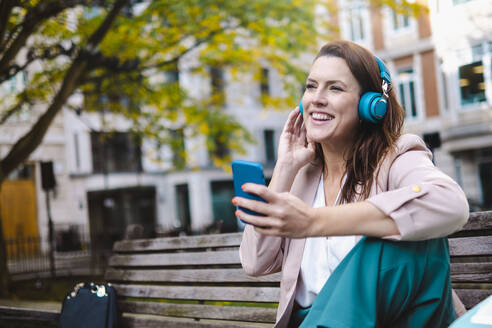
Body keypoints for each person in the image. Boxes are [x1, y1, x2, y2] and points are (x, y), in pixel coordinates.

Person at [233, 40, 469, 328]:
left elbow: (451, 204)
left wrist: (313, 221)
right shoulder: (302, 177)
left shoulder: (396, 156)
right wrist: (285, 168)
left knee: (389, 239)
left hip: (380, 319)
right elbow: (254, 263)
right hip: (308, 321)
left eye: (335, 88)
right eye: (311, 86)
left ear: (371, 106)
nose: (316, 98)